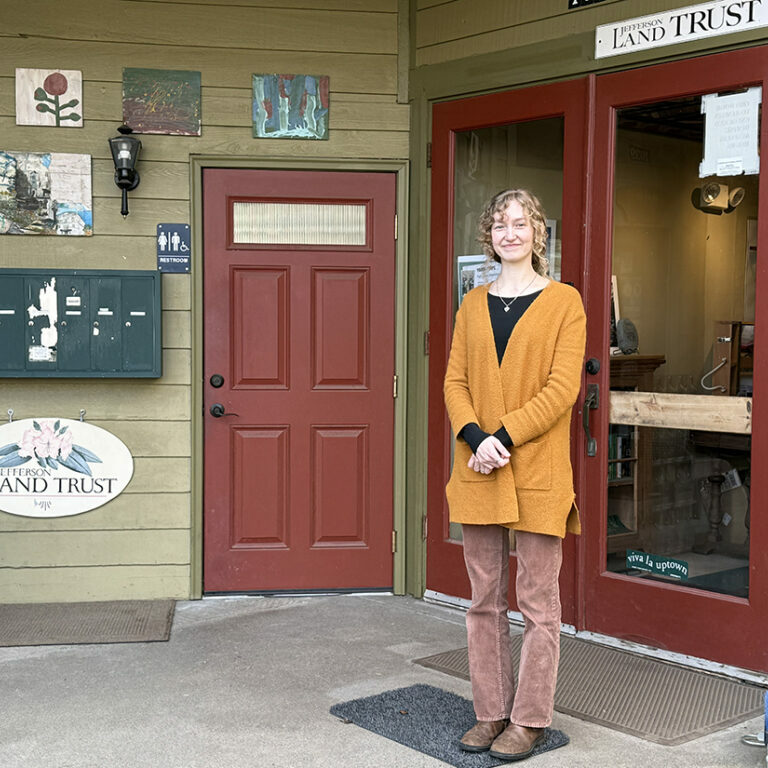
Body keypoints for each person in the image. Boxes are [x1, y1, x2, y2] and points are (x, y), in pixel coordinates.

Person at [443, 188, 586, 761]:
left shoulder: (564, 302)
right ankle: (490, 712)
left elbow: (562, 390)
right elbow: (454, 382)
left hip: (537, 469)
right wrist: (476, 440)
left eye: (520, 223)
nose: (510, 232)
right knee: (482, 600)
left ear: (538, 234)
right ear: (489, 235)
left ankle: (529, 719)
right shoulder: (472, 304)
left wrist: (502, 438)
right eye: (500, 224)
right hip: (478, 467)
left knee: (538, 602)